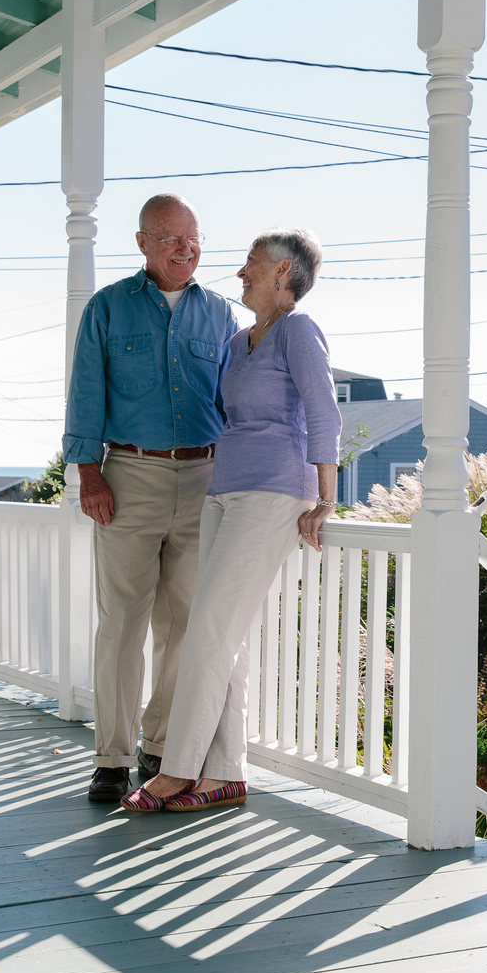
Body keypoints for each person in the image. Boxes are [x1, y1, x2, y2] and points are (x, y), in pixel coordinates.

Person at [122, 227, 340, 813]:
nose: (240, 272)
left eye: (250, 262)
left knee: (208, 630)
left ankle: (176, 770)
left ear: (282, 273)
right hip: (223, 490)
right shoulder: (242, 340)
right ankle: (224, 773)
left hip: (273, 492)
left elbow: (322, 410)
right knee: (225, 636)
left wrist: (326, 497)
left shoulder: (298, 330)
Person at [62, 193, 239, 803]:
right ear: (142, 243)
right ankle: (111, 757)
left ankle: (160, 746)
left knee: (185, 625)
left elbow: (237, 406)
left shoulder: (220, 316)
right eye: (170, 238)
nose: (185, 248)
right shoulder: (107, 310)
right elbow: (85, 395)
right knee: (121, 624)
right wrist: (90, 475)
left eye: (193, 238)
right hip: (127, 477)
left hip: (204, 481)